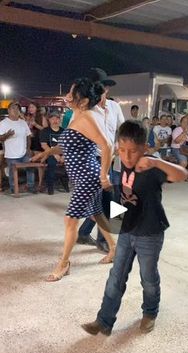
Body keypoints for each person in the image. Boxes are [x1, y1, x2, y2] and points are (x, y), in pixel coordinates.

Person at [81, 121, 188, 336]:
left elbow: (181, 175)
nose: (127, 156)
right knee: (116, 276)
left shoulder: (150, 166)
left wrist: (156, 163)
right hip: (126, 231)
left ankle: (150, 312)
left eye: (133, 151)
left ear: (144, 148)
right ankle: (104, 320)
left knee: (148, 277)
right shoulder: (119, 164)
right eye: (122, 150)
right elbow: (120, 195)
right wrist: (110, 213)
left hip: (150, 232)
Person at [32, 78, 116, 281]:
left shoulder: (87, 117)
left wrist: (104, 174)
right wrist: (49, 151)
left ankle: (64, 264)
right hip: (80, 176)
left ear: (84, 101)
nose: (67, 96)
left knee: (70, 219)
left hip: (88, 176)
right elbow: (69, 145)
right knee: (96, 212)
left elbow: (107, 146)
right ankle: (114, 249)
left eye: (72, 93)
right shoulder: (75, 116)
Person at [77, 68, 125, 253]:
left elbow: (122, 128)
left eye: (105, 86)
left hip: (110, 160)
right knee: (105, 200)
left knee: (106, 199)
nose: (105, 90)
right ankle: (103, 240)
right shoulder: (84, 110)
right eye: (101, 86)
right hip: (90, 161)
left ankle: (84, 233)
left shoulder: (114, 107)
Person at [0, 102, 35, 193]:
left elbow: (28, 136)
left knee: (30, 167)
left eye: (17, 109)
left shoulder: (23, 122)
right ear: (8, 110)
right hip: (11, 154)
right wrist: (7, 135)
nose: (15, 111)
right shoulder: (3, 123)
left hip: (24, 152)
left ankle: (30, 186)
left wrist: (28, 149)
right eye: (13, 108)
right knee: (12, 171)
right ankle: (13, 188)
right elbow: (1, 138)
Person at [40, 110, 66, 195]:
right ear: (49, 120)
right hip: (49, 154)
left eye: (57, 118)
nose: (55, 120)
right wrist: (54, 154)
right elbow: (44, 145)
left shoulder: (64, 131)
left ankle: (65, 183)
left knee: (72, 162)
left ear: (60, 119)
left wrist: (64, 156)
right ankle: (50, 187)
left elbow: (67, 145)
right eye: (53, 118)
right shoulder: (45, 131)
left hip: (63, 154)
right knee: (51, 163)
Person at [26, 102, 48, 190]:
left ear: (36, 108)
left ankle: (40, 183)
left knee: (40, 163)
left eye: (32, 107)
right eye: (29, 107)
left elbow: (46, 130)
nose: (30, 109)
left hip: (39, 141)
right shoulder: (28, 117)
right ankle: (30, 183)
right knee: (30, 162)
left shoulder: (42, 117)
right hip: (30, 141)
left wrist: (35, 125)